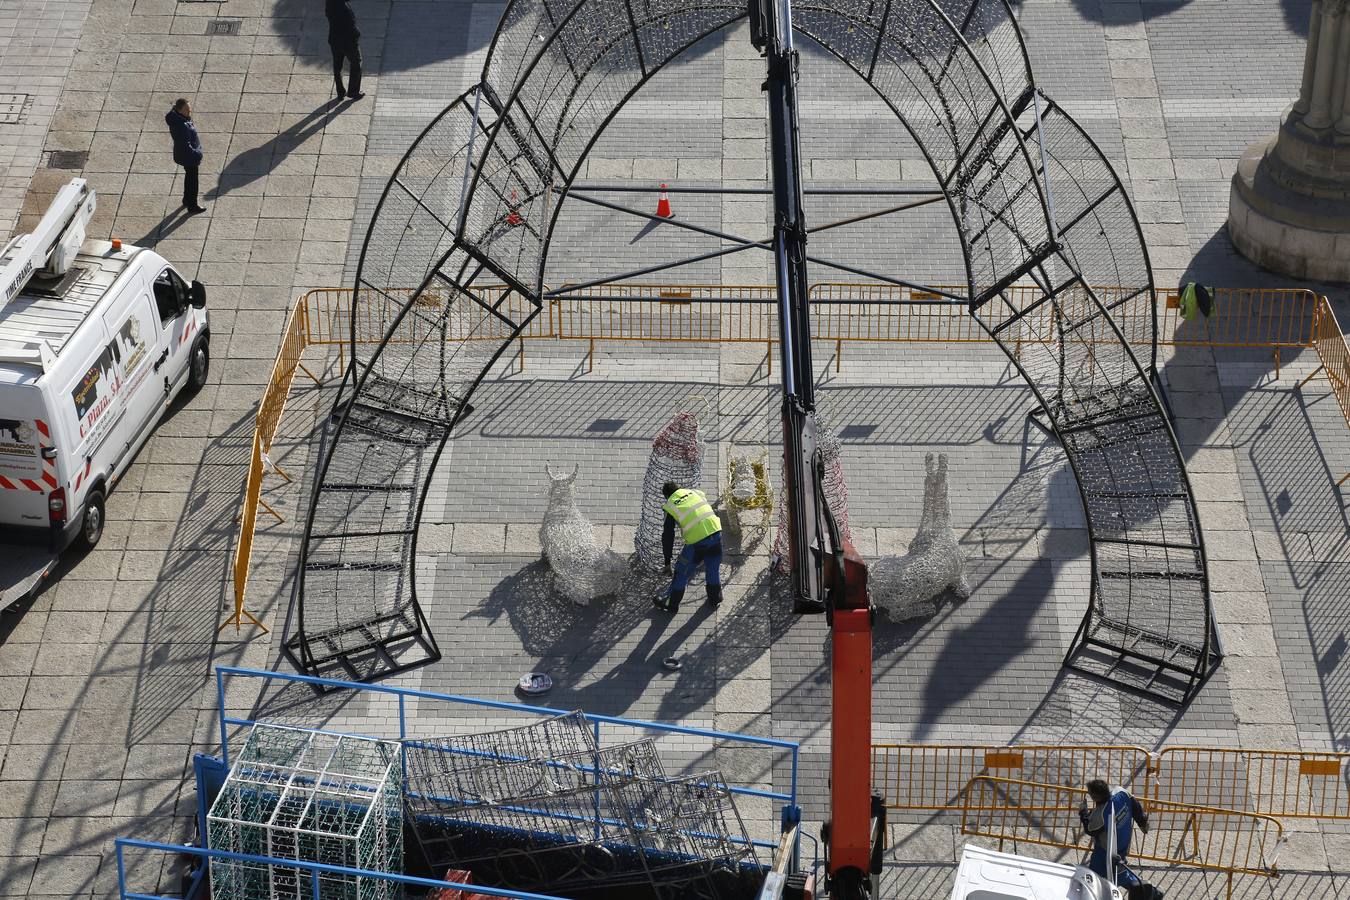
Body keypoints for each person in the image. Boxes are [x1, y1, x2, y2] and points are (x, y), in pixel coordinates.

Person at [654, 481, 722, 612]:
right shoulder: (695, 492)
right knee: (713, 567)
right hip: (716, 532)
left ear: (667, 496)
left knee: (681, 571)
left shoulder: (670, 505)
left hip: (697, 542)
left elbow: (668, 536)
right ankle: (715, 598)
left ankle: (670, 603)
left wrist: (667, 562)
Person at [1079, 779, 1149, 888]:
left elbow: (1090, 829)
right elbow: (1135, 804)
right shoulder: (1120, 792)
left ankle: (1147, 891)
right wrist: (1142, 822)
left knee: (1115, 873)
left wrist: (1083, 812)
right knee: (1112, 871)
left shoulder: (1100, 814)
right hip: (1124, 840)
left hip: (1107, 850)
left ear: (1095, 797)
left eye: (1090, 793)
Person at [164, 99, 205, 214]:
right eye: (186, 109)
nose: (189, 110)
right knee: (193, 181)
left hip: (184, 154)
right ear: (179, 110)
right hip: (189, 156)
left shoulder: (180, 119)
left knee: (189, 177)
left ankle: (187, 199)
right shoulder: (181, 125)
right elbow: (185, 144)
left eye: (189, 108)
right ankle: (192, 205)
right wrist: (196, 154)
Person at [326, 0, 364, 101]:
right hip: (348, 42)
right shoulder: (344, 9)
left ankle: (340, 91)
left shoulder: (329, 4)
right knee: (356, 63)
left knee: (337, 66)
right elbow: (350, 25)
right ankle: (353, 91)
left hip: (334, 40)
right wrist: (357, 34)